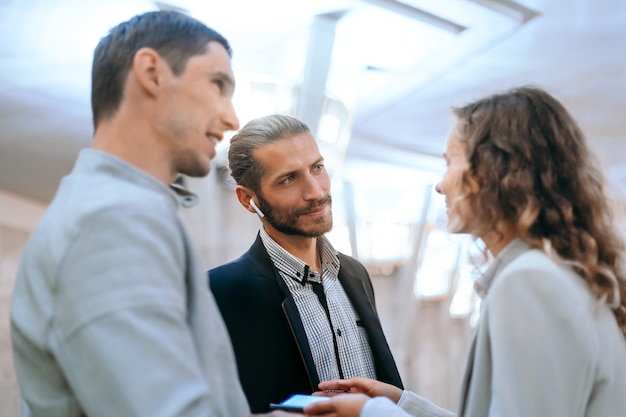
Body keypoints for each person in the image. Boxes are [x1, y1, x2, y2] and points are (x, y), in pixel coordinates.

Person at [303, 86, 626, 417]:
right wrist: (401, 404)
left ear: (491, 171)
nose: (441, 185)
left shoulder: (529, 281)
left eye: (450, 163)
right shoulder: (552, 271)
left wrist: (370, 415)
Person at [10, 10, 254, 417]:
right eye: (218, 84)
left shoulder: (117, 210)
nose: (232, 119)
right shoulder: (111, 221)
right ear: (152, 72)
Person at [208, 114, 404, 413]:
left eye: (317, 168)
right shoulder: (217, 293)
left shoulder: (354, 274)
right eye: (288, 179)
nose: (316, 192)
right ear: (248, 199)